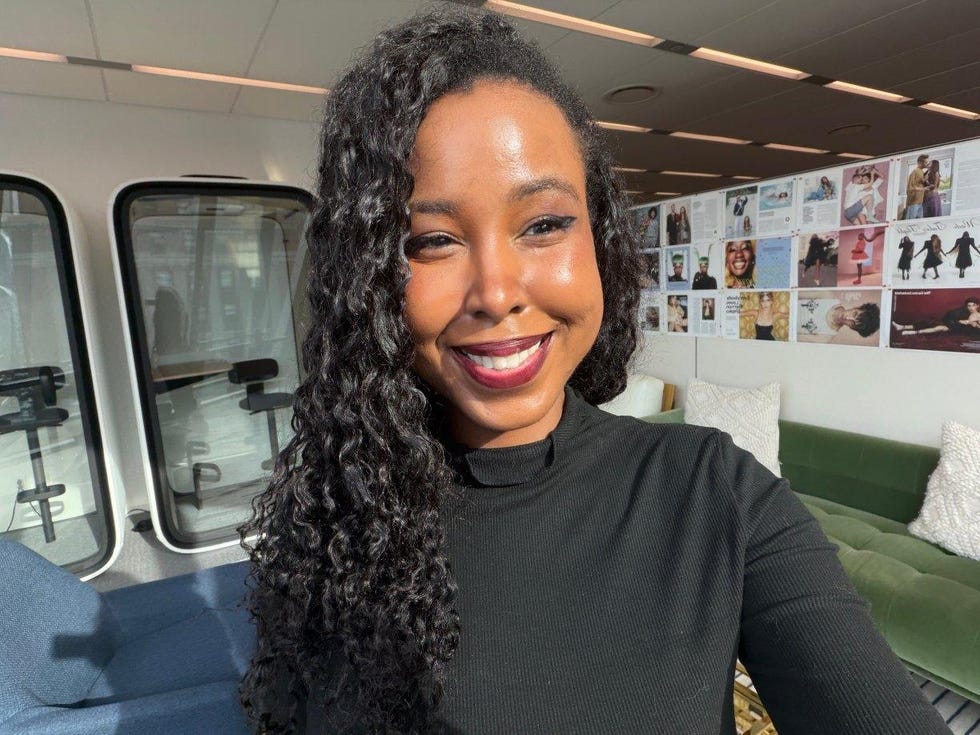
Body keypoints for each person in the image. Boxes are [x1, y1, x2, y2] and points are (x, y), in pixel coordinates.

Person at [239, 10, 953, 734]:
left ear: (599, 234)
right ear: (368, 277)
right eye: (433, 240)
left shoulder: (713, 495)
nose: (497, 290)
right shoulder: (341, 518)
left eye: (544, 224)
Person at [893, 296, 980, 334]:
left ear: (978, 305)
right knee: (930, 321)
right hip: (954, 325)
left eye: (974, 305)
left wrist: (975, 325)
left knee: (938, 327)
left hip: (959, 329)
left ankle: (911, 332)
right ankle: (903, 327)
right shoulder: (965, 312)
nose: (971, 307)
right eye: (969, 305)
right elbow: (958, 318)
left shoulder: (978, 315)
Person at [903, 154, 929, 220]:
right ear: (920, 162)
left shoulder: (921, 172)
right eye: (926, 162)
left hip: (920, 201)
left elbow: (920, 183)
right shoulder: (914, 172)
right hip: (913, 203)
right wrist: (924, 189)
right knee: (910, 223)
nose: (927, 164)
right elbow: (910, 188)